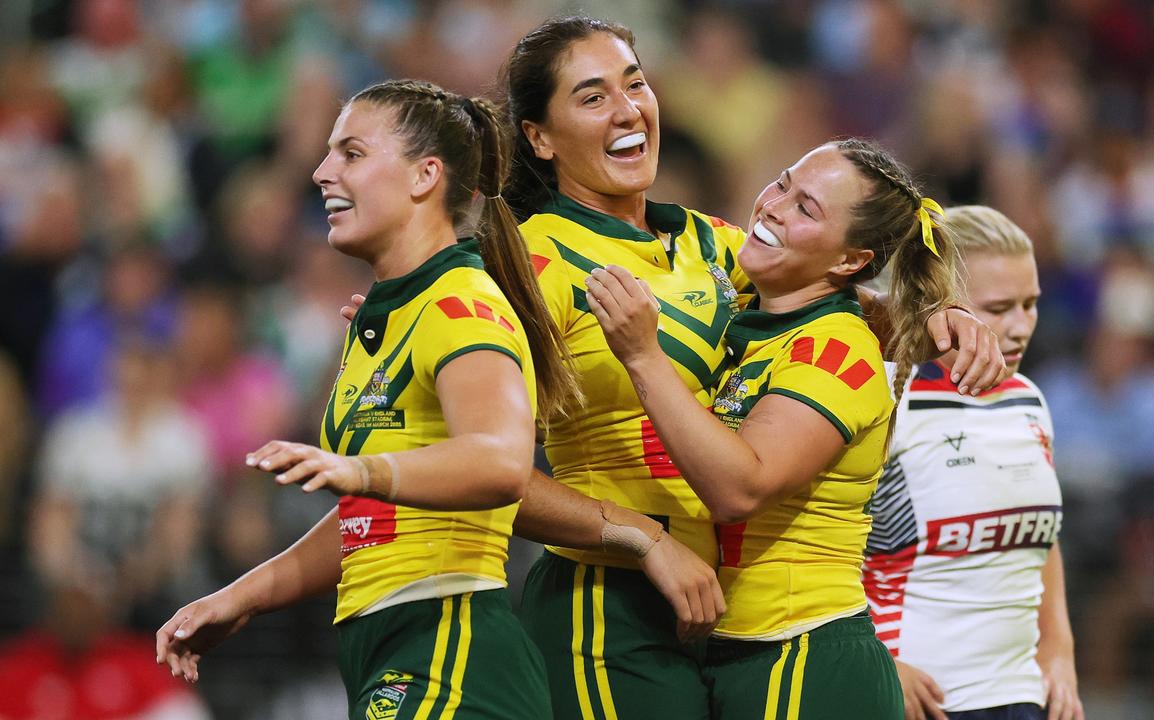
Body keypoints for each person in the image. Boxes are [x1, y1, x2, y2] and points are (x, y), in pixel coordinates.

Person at [342, 17, 1003, 720]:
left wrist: (935, 314)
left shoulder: (707, 242)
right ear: (539, 137)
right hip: (605, 611)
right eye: (593, 98)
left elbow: (827, 292)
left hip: (712, 617)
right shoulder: (527, 267)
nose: (628, 109)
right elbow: (470, 466)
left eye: (635, 83)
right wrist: (642, 537)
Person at [156, 78, 577, 720]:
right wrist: (245, 595)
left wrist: (359, 469)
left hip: (453, 649)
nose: (323, 172)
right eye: (328, 153)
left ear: (423, 176)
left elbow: (500, 463)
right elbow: (372, 521)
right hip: (389, 644)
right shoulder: (386, 319)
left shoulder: (460, 305)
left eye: (351, 153)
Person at [584, 137, 951, 719]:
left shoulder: (838, 348)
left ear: (848, 261)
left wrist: (642, 355)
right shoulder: (762, 325)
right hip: (747, 652)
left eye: (807, 208)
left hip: (801, 653)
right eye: (782, 182)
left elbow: (740, 489)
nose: (774, 207)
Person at [862, 206, 1084, 720]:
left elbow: (1040, 538)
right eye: (998, 307)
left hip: (1023, 697)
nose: (1020, 326)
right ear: (937, 307)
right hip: (921, 700)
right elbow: (822, 546)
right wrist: (874, 658)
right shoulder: (885, 400)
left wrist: (1060, 648)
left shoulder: (1027, 399)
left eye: (1030, 304)